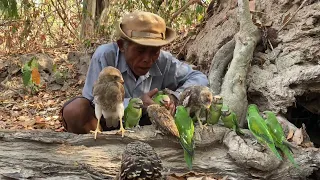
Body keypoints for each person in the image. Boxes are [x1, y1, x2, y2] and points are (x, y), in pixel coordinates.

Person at [61, 11, 208, 134]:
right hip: (105, 122)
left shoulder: (164, 61)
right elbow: (93, 101)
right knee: (76, 110)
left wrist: (175, 97)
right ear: (121, 46)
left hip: (145, 124)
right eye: (140, 50)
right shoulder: (106, 56)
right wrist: (134, 103)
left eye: (154, 52)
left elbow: (199, 78)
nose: (147, 59)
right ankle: (97, 151)